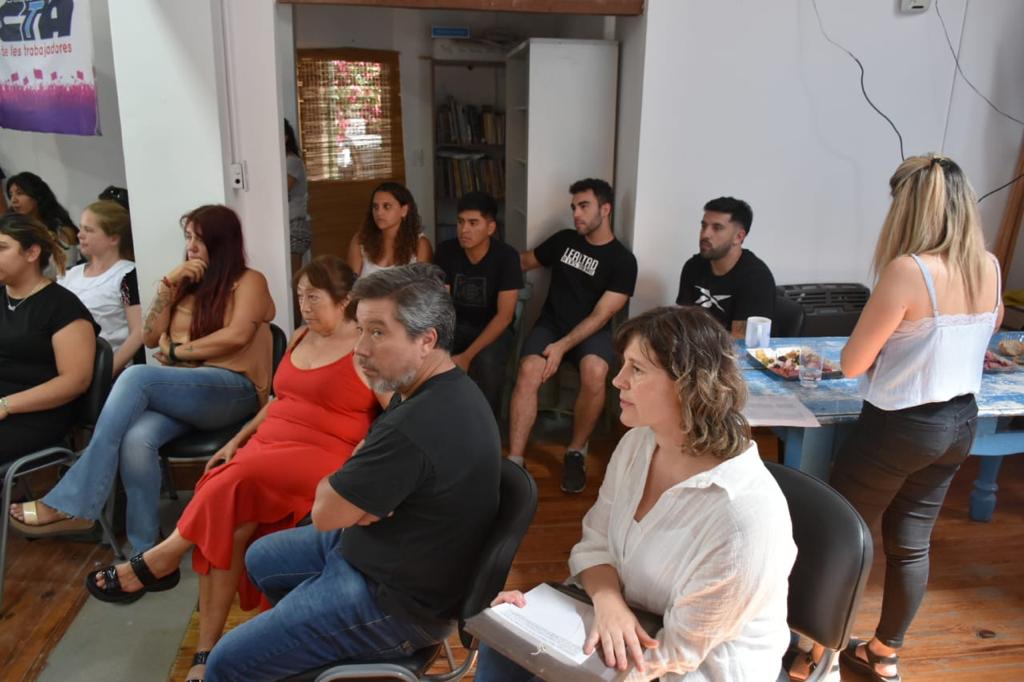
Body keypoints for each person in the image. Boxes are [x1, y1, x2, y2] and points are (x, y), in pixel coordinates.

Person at [83, 256, 384, 682]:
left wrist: (363, 463)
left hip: (323, 452)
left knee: (232, 482)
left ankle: (162, 557)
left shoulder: (367, 349)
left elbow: (392, 416)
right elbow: (278, 401)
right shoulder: (300, 336)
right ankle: (205, 654)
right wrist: (236, 440)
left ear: (346, 300)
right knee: (226, 517)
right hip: (268, 446)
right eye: (300, 296)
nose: (304, 306)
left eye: (314, 297)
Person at [202, 264, 501, 682]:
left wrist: (353, 492)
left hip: (395, 603)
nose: (359, 349)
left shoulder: (414, 423)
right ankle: (303, 652)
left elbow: (326, 512)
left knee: (223, 663)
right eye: (360, 330)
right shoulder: (438, 388)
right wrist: (360, 497)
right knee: (260, 558)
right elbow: (352, 491)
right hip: (381, 552)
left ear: (427, 340)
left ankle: (308, 647)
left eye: (377, 332)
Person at [477, 305, 796, 681]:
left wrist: (560, 646)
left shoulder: (743, 517)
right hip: (626, 621)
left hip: (693, 667)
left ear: (689, 385)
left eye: (637, 369)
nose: (618, 380)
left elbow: (678, 652)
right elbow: (595, 544)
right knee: (502, 637)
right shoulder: (638, 444)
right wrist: (599, 605)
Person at [10, 204, 276, 557]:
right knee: (137, 439)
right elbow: (150, 337)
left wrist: (178, 351)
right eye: (188, 237)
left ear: (222, 242)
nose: (191, 246)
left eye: (200, 239)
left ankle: (75, 500)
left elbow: (237, 335)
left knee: (137, 376)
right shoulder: (185, 284)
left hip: (233, 390)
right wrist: (168, 285)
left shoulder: (249, 281)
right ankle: (144, 553)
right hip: (186, 391)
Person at [829, 155, 1001, 682]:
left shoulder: (910, 270)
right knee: (911, 541)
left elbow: (852, 363)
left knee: (844, 532)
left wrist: (887, 350)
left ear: (911, 208)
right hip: (960, 423)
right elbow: (982, 332)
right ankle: (883, 654)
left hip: (899, 425)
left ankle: (817, 652)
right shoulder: (989, 266)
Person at [508, 178, 637, 493]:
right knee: (528, 370)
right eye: (574, 207)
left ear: (605, 209)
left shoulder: (622, 261)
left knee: (595, 371)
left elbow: (601, 315)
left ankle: (576, 451)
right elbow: (523, 262)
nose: (576, 214)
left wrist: (561, 347)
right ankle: (515, 460)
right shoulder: (564, 240)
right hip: (551, 325)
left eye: (584, 206)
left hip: (591, 333)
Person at [0, 213, 98, 465]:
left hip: (34, 414)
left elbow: (75, 381)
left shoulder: (62, 306)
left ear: (32, 253)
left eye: (2, 248)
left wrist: (6, 404)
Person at [434, 191, 523, 415]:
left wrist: (466, 356)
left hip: (493, 329)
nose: (464, 229)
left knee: (487, 364)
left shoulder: (507, 257)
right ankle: (439, 420)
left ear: (490, 228)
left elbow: (504, 317)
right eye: (460, 222)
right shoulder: (446, 251)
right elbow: (442, 304)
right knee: (427, 352)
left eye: (473, 223)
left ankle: (487, 425)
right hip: (455, 325)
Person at [59, 200, 142, 376]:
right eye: (80, 228)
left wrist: (105, 374)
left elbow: (138, 332)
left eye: (88, 230)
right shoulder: (70, 275)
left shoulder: (127, 275)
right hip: (65, 368)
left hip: (107, 372)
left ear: (113, 238)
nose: (80, 235)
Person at [675, 196, 775, 339]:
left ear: (738, 237)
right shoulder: (693, 266)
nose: (705, 234)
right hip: (697, 348)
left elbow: (739, 342)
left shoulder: (756, 278)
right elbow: (681, 323)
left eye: (717, 228)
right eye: (704, 226)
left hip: (730, 351)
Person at [347, 182, 432, 276]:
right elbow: (351, 283)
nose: (379, 212)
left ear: (404, 210)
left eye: (386, 206)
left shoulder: (420, 245)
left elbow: (423, 284)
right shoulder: (360, 241)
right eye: (375, 207)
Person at [5, 171, 80, 275]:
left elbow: (65, 273)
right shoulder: (9, 229)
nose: (13, 200)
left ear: (37, 196)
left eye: (19, 193)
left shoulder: (62, 232)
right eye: (10, 195)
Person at [284, 120, 312, 277]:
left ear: (285, 138)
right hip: (289, 225)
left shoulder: (292, 161)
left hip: (295, 225)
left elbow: (281, 191)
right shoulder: (283, 162)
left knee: (294, 278)